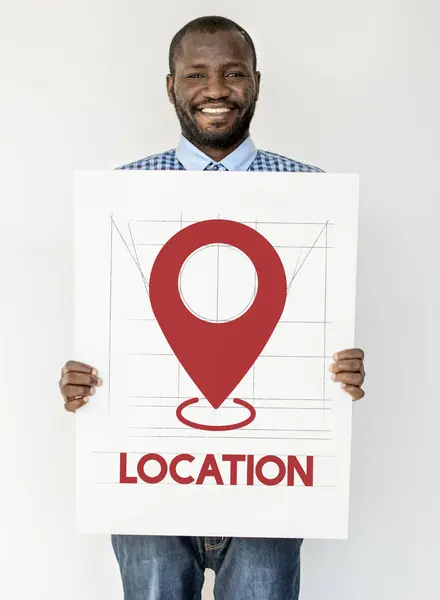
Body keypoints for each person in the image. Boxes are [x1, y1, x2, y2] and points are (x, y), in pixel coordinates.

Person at [59, 15, 366, 600]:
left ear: (256, 82)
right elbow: (118, 326)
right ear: (170, 85)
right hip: (148, 479)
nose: (216, 90)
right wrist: (86, 380)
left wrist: (338, 375)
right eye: (196, 74)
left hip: (270, 480)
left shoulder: (312, 194)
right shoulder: (120, 194)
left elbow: (312, 331)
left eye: (232, 73)